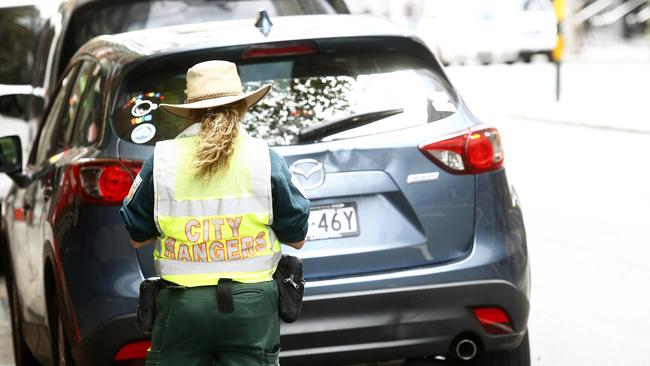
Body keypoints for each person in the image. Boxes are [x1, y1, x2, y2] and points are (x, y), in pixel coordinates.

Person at [119, 60, 310, 366]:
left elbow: (137, 237)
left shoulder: (163, 160)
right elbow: (297, 239)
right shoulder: (264, 157)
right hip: (251, 307)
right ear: (241, 107)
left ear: (190, 111)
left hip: (182, 308)